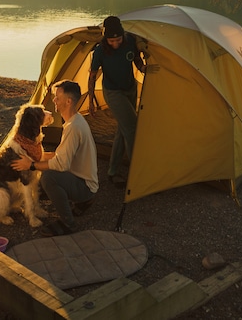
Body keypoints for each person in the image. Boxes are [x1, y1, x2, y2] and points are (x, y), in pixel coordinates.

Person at [11, 80, 98, 236]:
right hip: (82, 179)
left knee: (49, 177)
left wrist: (30, 164)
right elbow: (60, 155)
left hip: (85, 185)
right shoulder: (74, 121)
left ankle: (68, 223)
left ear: (68, 101)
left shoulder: (73, 127)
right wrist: (35, 158)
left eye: (57, 97)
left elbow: (60, 164)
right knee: (45, 170)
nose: (54, 101)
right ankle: (83, 201)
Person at [88, 15, 146, 187]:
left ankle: (113, 171)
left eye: (118, 39)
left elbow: (134, 58)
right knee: (132, 128)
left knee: (123, 129)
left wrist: (142, 67)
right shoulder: (100, 50)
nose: (115, 43)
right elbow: (91, 77)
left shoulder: (129, 41)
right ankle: (139, 174)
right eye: (111, 40)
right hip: (112, 92)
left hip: (130, 88)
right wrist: (91, 101)